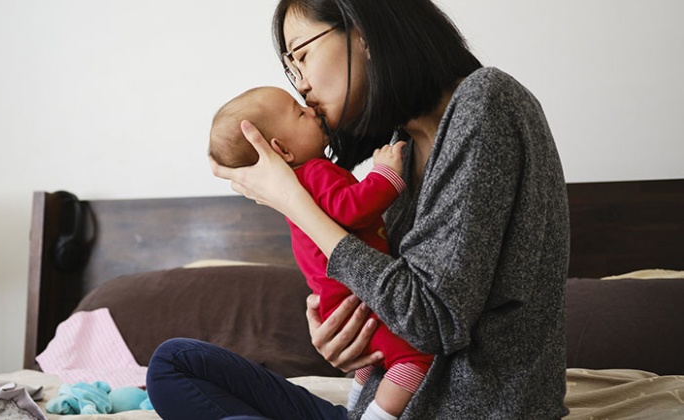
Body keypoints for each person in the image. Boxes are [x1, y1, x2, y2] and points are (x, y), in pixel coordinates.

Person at [148, 0, 569, 419]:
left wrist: (294, 202)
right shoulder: (401, 150)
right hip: (384, 409)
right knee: (174, 363)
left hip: (459, 411)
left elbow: (431, 322)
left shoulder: (485, 102)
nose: (302, 86)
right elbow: (396, 296)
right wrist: (346, 337)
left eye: (301, 55)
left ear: (363, 34)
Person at [208, 85, 432, 416]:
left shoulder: (301, 186)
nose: (311, 110)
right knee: (415, 357)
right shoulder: (314, 172)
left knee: (374, 358)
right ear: (281, 150)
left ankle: (356, 403)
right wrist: (386, 174)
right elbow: (352, 208)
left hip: (343, 302)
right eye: (300, 113)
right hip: (360, 297)